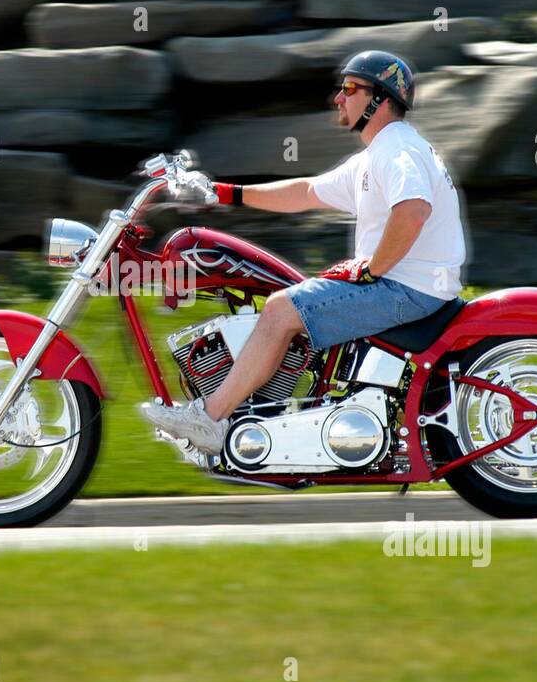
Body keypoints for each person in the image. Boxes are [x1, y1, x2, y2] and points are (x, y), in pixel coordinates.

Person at [140, 49, 466, 454]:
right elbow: (307, 191)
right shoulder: (377, 156)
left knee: (280, 309)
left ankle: (210, 419)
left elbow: (413, 211)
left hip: (406, 289)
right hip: (406, 285)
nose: (338, 98)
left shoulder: (398, 150)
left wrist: (372, 269)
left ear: (380, 99)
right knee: (286, 298)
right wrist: (223, 193)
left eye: (350, 88)